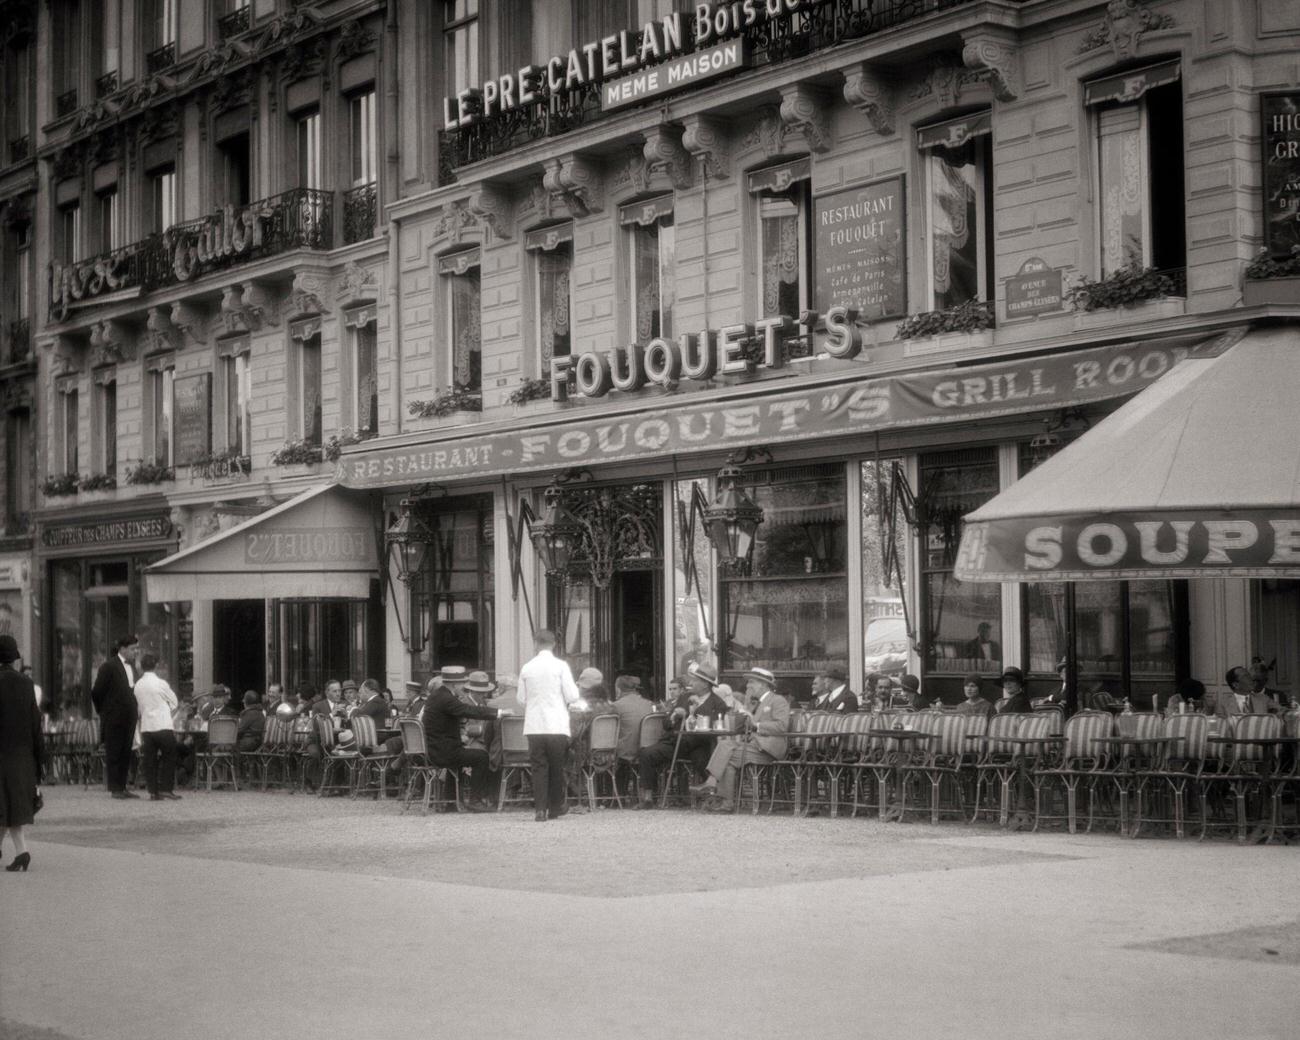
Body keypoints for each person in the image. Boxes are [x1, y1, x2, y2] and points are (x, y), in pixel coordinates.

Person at [689, 667, 789, 812]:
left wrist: (756, 725)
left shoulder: (777, 700)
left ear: (763, 684)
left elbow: (782, 726)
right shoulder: (756, 702)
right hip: (754, 746)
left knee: (726, 752)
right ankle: (726, 802)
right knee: (728, 758)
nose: (748, 686)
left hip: (769, 748)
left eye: (751, 682)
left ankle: (713, 785)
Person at [635, 667, 728, 808]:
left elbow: (714, 728)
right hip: (675, 742)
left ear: (705, 684)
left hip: (699, 743)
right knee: (646, 753)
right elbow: (666, 724)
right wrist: (673, 717)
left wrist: (694, 711)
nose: (691, 682)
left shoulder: (718, 703)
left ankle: (711, 798)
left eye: (695, 680)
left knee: (703, 759)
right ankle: (648, 798)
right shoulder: (685, 697)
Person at [516, 629, 580, 822]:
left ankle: (540, 809)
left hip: (535, 725)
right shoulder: (560, 666)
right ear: (554, 644)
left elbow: (521, 699)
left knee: (538, 767)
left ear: (535, 644)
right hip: (556, 724)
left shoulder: (527, 668)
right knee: (556, 766)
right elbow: (572, 696)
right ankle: (555, 806)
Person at [420, 673, 508, 811]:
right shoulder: (447, 698)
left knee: (460, 758)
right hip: (442, 751)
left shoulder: (437, 696)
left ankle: (451, 802)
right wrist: (499, 712)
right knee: (482, 757)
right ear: (455, 684)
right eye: (462, 683)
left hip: (435, 749)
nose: (464, 687)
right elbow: (468, 710)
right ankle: (475, 800)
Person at [0, 634, 43, 871]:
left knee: (6, 805)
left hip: (1, 755)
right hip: (22, 755)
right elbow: (36, 724)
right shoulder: (27, 684)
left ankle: (22, 853)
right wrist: (40, 760)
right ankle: (22, 853)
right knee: (10, 805)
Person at [91, 634, 140, 800]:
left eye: (136, 649)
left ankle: (123, 785)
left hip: (129, 715)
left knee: (126, 750)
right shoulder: (109, 666)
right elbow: (97, 691)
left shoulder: (132, 667)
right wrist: (104, 711)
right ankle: (115, 788)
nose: (135, 652)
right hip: (114, 715)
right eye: (133, 649)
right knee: (114, 750)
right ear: (123, 649)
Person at [133, 654, 181, 801]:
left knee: (150, 759)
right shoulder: (161, 683)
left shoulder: (138, 686)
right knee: (169, 755)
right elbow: (174, 702)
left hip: (147, 726)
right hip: (162, 724)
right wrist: (164, 707)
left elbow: (138, 708)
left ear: (141, 667)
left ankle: (153, 791)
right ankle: (166, 787)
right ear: (156, 666)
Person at [612, 675, 654, 792]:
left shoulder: (616, 706)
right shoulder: (648, 704)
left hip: (626, 751)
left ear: (618, 689)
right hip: (648, 749)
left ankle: (611, 796)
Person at [1213, 665, 1285, 716]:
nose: (1251, 679)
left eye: (1249, 675)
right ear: (1236, 685)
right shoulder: (1223, 704)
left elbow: (1283, 711)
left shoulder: (1263, 699)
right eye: (1246, 676)